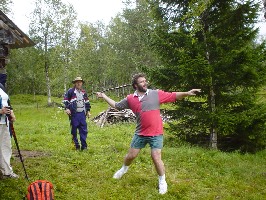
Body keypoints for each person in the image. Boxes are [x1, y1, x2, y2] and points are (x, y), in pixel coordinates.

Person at [96, 73, 201, 194]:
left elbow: (173, 96)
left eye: (145, 81)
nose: (145, 83)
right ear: (135, 85)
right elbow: (117, 105)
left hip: (156, 133)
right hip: (140, 133)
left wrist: (187, 93)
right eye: (141, 82)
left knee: (156, 157)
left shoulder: (155, 94)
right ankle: (124, 169)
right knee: (131, 156)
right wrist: (103, 96)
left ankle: (162, 181)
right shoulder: (130, 99)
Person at [63, 77, 91, 151]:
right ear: (75, 83)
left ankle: (84, 147)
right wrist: (67, 108)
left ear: (82, 83)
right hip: (74, 114)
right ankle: (76, 146)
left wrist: (88, 111)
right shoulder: (70, 91)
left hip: (82, 114)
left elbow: (87, 102)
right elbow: (65, 100)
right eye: (77, 82)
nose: (79, 83)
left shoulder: (84, 92)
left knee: (83, 130)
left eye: (80, 82)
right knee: (74, 131)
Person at [0, 83, 18, 179]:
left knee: (6, 147)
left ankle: (6, 172)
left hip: (4, 122)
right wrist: (0, 111)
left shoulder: (1, 86)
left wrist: (11, 113)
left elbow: (7, 103)